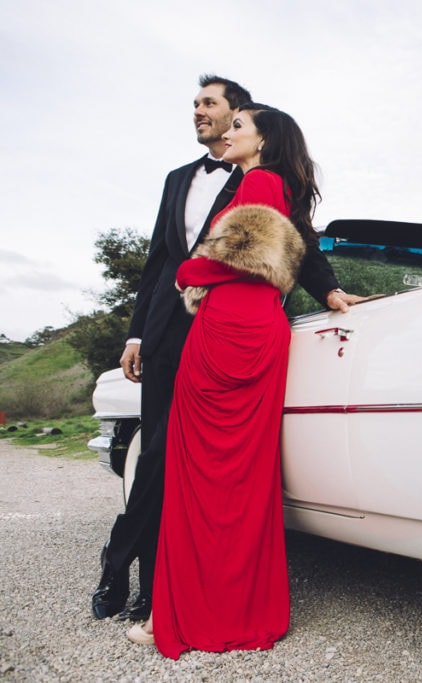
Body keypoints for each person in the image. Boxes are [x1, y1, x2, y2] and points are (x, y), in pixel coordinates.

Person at [91, 77, 362, 622]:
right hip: (171, 331)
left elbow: (297, 240)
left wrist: (328, 289)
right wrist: (137, 333)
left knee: (196, 462)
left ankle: (167, 591)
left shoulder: (257, 179)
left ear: (239, 114)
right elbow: (157, 264)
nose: (198, 112)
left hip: (230, 327)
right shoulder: (178, 180)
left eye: (209, 104)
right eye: (194, 104)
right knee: (161, 457)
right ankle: (123, 567)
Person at [127, 102, 332, 656]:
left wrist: (191, 271)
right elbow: (281, 255)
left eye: (238, 125)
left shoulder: (259, 182)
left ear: (262, 142)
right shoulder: (274, 186)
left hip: (228, 331)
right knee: (240, 479)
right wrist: (331, 293)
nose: (228, 132)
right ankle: (235, 609)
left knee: (200, 479)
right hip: (257, 327)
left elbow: (237, 260)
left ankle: (188, 616)